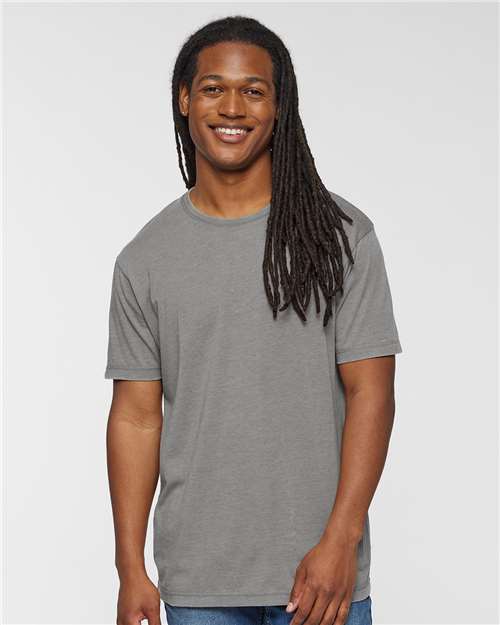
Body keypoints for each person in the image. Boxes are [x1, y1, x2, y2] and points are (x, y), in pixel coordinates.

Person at [104, 15, 403, 625]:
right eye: (213, 88)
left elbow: (371, 392)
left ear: (279, 105)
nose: (232, 108)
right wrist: (130, 567)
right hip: (198, 584)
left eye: (254, 90)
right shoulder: (146, 258)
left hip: (321, 579)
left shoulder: (340, 236)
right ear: (184, 99)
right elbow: (135, 417)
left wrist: (342, 540)